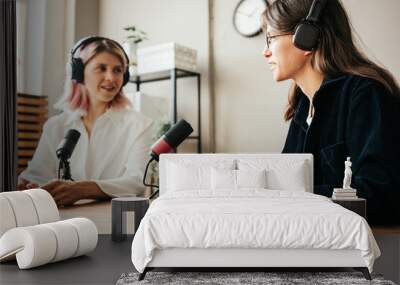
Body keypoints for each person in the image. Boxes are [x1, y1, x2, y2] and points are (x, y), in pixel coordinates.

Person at [262, 0, 400, 225]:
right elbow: (287, 181)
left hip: (362, 252)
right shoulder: (302, 106)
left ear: (305, 36)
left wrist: (294, 197)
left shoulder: (366, 95)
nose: (265, 51)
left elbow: (380, 195)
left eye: (271, 38)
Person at [18, 36, 153, 207]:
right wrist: (28, 186)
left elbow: (137, 181)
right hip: (59, 220)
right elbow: (36, 175)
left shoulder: (139, 124)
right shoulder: (55, 126)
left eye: (118, 70)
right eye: (101, 68)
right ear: (79, 73)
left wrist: (84, 189)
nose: (111, 77)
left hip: (111, 219)